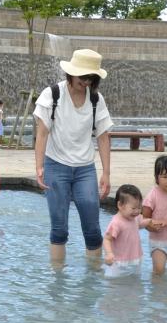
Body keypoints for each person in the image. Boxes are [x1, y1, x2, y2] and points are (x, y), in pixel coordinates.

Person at [33, 49, 113, 264]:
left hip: (85, 168)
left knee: (93, 227)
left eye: (91, 79)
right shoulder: (52, 95)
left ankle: (93, 280)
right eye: (83, 77)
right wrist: (39, 167)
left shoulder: (96, 99)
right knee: (59, 227)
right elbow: (42, 133)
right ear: (71, 73)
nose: (86, 82)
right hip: (56, 165)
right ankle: (58, 282)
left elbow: (104, 137)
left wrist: (106, 172)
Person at [103, 184, 152, 277]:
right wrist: (109, 254)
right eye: (133, 208)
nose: (137, 211)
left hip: (135, 259)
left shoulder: (134, 217)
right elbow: (107, 239)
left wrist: (149, 222)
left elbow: (138, 225)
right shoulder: (116, 223)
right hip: (119, 263)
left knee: (135, 286)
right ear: (120, 205)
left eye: (139, 207)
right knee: (116, 286)